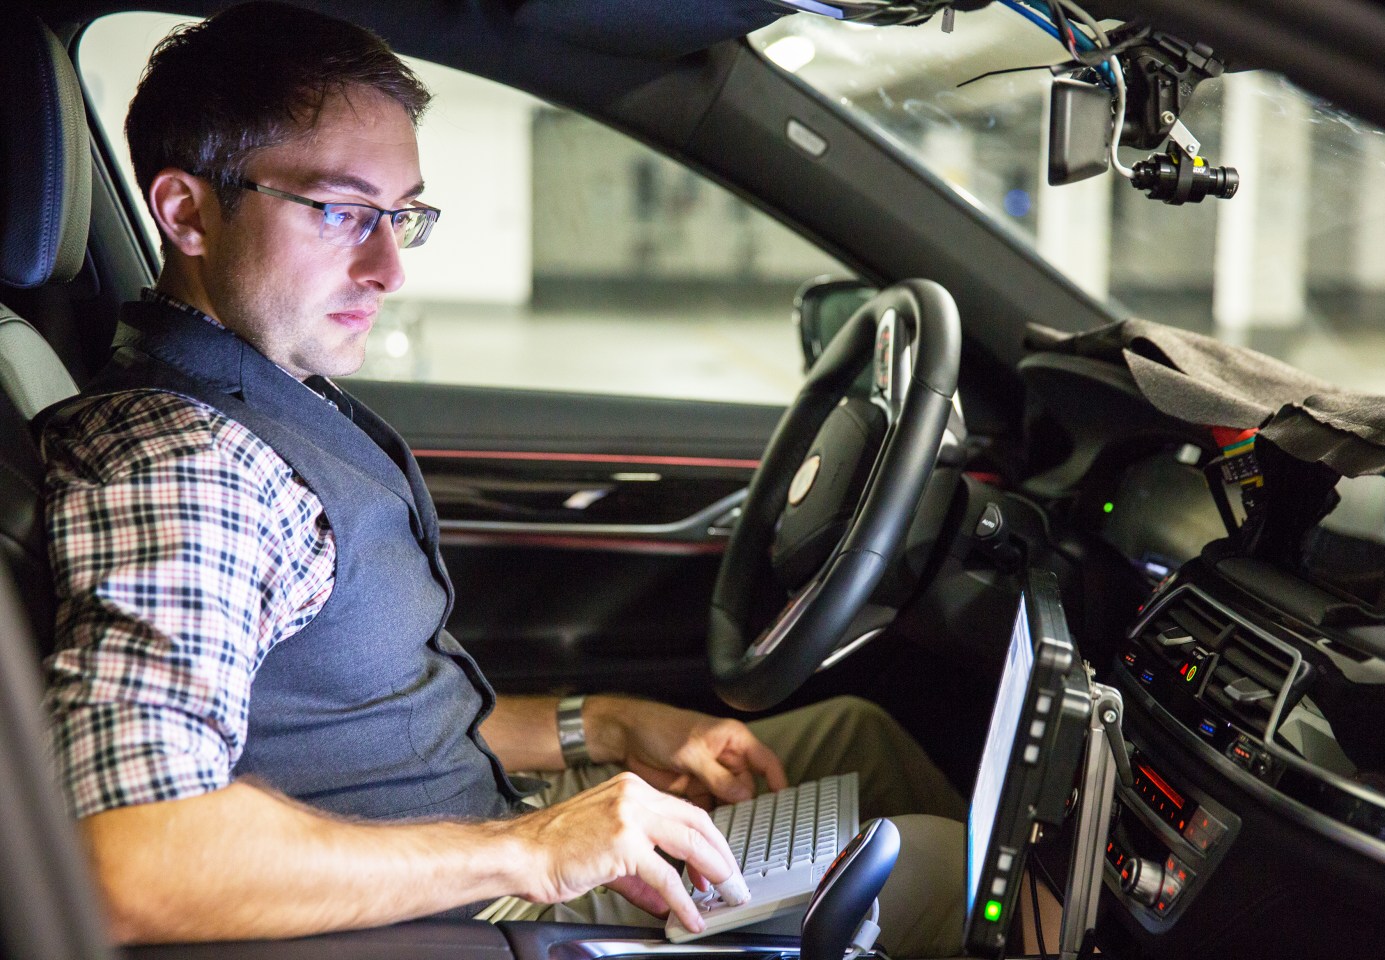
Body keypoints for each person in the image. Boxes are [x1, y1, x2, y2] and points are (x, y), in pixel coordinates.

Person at [39, 2, 968, 954]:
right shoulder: (187, 467)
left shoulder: (266, 392)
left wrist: (601, 726)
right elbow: (125, 859)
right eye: (344, 212)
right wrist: (525, 850)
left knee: (862, 738)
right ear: (187, 211)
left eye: (402, 216)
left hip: (473, 836)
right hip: (466, 914)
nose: (390, 266)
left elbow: (379, 716)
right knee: (941, 867)